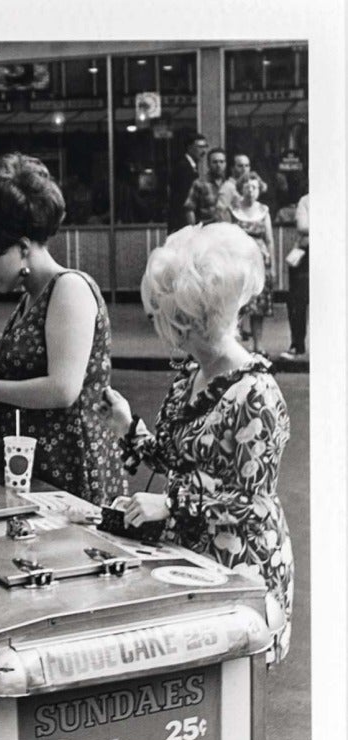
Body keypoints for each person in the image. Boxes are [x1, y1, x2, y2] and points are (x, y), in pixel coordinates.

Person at [100, 223, 293, 663]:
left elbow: (252, 502)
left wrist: (170, 506)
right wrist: (129, 426)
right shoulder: (192, 374)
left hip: (239, 566)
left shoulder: (256, 392)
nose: (161, 328)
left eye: (165, 318)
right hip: (191, 557)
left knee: (231, 698)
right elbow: (176, 459)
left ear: (191, 321)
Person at [0, 153, 126, 507]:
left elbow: (63, 389)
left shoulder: (69, 288)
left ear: (23, 247)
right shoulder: (32, 297)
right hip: (37, 463)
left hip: (68, 467)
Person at [229, 172, 274, 351]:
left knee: (259, 305)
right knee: (237, 305)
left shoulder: (264, 210)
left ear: (259, 189)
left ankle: (258, 345)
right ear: (241, 189)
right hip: (240, 261)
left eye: (254, 187)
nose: (251, 191)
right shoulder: (235, 211)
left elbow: (269, 239)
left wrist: (272, 266)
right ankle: (235, 346)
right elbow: (228, 238)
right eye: (247, 187)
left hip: (260, 263)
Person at [283, 191, 309, 359]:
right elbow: (302, 226)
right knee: (297, 300)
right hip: (305, 254)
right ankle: (297, 344)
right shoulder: (305, 200)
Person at [167, 133, 207, 234]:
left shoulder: (191, 166)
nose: (204, 151)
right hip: (182, 222)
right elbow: (183, 198)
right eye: (200, 147)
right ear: (189, 148)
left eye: (205, 147)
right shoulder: (183, 167)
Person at [216, 152, 268, 222]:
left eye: (247, 166)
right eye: (240, 166)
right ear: (232, 168)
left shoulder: (251, 185)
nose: (244, 169)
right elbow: (221, 213)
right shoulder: (228, 187)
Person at [184, 147, 227, 225]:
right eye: (215, 162)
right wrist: (193, 230)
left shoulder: (229, 184)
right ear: (208, 164)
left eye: (221, 162)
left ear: (225, 164)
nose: (218, 165)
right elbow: (189, 209)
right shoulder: (199, 183)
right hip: (206, 229)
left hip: (227, 230)